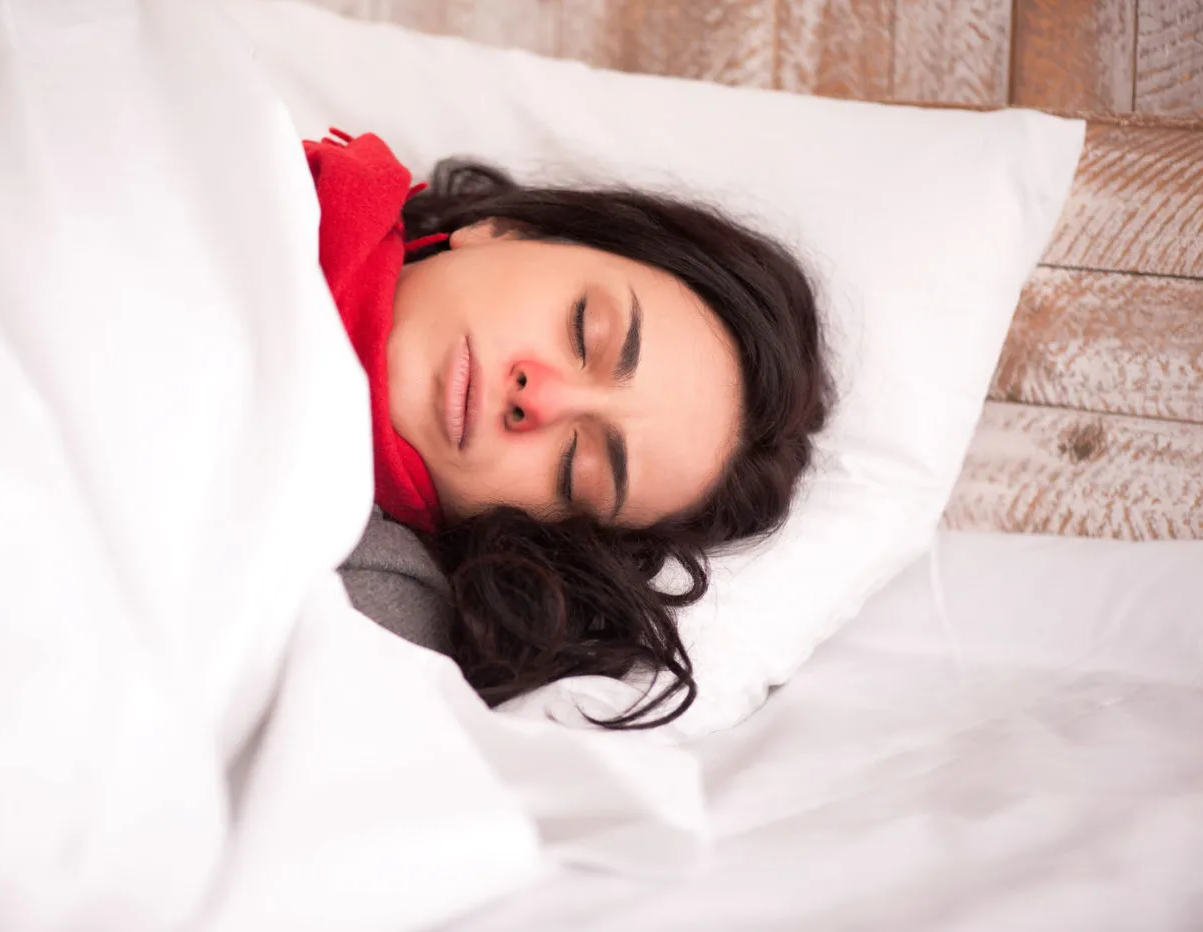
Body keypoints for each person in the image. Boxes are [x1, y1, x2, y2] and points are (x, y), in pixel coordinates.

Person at [307, 130, 831, 729]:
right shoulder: (255, 158)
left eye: (575, 465)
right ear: (503, 230)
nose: (543, 398)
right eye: (585, 330)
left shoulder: (365, 614)